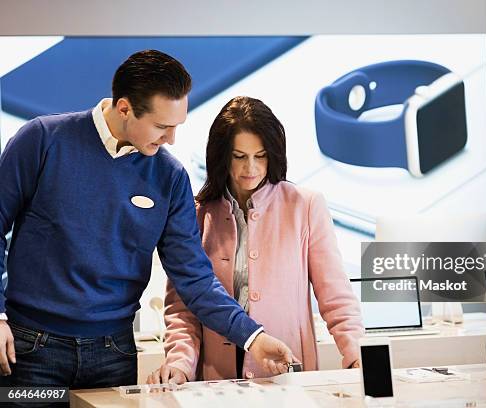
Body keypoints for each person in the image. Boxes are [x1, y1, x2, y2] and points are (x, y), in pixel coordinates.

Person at [0, 50, 294, 392]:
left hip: (113, 355)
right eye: (162, 126)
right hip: (30, 348)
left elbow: (194, 278)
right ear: (124, 108)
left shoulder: (170, 177)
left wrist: (253, 338)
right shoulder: (42, 140)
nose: (171, 139)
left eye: (176, 126)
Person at [147, 96, 364, 384]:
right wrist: (179, 363)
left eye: (260, 156)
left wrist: (358, 355)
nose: (251, 167)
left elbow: (336, 298)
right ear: (222, 156)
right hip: (217, 381)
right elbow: (183, 308)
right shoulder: (196, 213)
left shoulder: (306, 206)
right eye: (239, 156)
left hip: (287, 375)